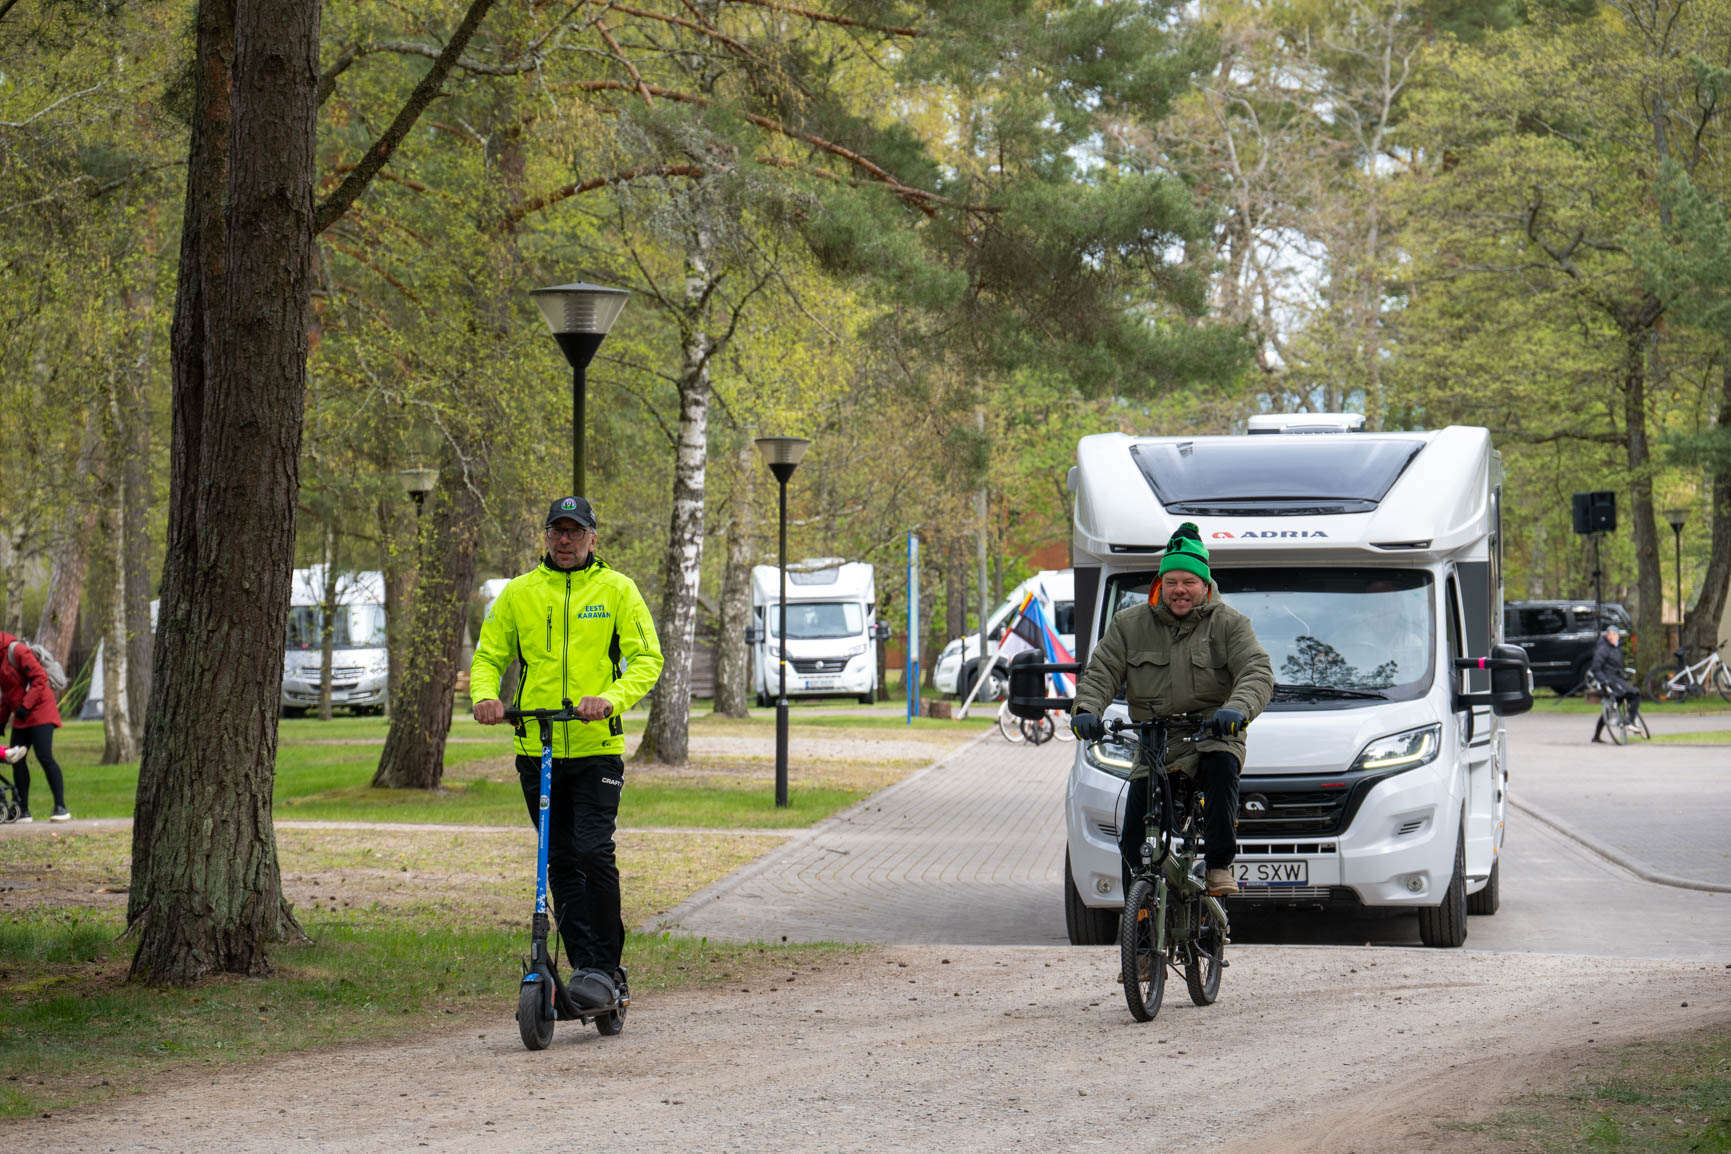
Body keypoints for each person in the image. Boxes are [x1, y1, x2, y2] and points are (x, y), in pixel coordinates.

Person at [470, 496, 664, 1009]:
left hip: (596, 747)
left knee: (593, 851)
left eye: (575, 532)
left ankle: (607, 966)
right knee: (557, 860)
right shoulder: (519, 593)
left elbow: (648, 658)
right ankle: (584, 970)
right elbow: (490, 654)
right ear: (546, 536)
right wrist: (485, 697)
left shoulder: (618, 590)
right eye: (557, 530)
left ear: (592, 539)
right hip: (539, 748)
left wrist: (611, 698)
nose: (564, 540)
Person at [1070, 523, 1273, 898]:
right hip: (1156, 741)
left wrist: (1236, 710)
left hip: (1212, 735)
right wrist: (1086, 709)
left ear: (1205, 586)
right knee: (1134, 836)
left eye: (1189, 582)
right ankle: (1142, 928)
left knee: (1222, 769)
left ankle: (1217, 866)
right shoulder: (1129, 625)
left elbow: (1256, 671)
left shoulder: (1230, 624)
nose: (1180, 590)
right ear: (1160, 584)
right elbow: (1101, 672)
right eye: (1172, 581)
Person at [0, 632, 69, 822]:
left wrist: (26, 705)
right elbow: (6, 695)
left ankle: (61, 807)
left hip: (41, 710)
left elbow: (40, 678)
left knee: (44, 756)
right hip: (22, 714)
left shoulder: (17, 651)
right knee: (15, 758)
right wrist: (1, 722)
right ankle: (23, 809)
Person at [1589, 626, 1640, 743]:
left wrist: (1623, 675)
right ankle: (1631, 722)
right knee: (1635, 694)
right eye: (1609, 634)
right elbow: (1596, 668)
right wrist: (1604, 681)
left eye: (1614, 634)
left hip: (1616, 680)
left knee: (1614, 704)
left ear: (1618, 636)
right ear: (1607, 636)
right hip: (1609, 682)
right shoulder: (1603, 649)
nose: (1612, 637)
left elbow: (1616, 666)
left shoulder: (1616, 648)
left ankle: (1596, 736)